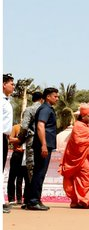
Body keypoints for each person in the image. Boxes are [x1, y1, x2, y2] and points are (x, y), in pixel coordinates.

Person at [59, 104, 89, 209]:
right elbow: (78, 141)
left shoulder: (88, 127)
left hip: (87, 157)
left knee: (86, 177)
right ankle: (77, 201)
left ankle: (83, 201)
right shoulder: (78, 126)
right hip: (78, 158)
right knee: (81, 177)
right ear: (83, 116)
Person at [26, 87, 59, 211]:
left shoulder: (48, 109)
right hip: (43, 145)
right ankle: (34, 201)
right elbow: (40, 126)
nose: (57, 98)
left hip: (45, 144)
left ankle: (34, 199)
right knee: (39, 173)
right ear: (48, 97)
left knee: (39, 173)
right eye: (55, 96)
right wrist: (44, 144)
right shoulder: (45, 109)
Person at [19, 91, 43, 207]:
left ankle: (30, 199)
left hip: (32, 140)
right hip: (43, 142)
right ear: (42, 99)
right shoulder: (45, 110)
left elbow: (24, 126)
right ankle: (35, 198)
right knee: (39, 170)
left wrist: (20, 139)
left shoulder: (30, 110)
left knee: (31, 169)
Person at [7, 123, 28, 206]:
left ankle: (20, 199)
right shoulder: (16, 127)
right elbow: (10, 139)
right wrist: (19, 140)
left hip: (26, 154)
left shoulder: (30, 128)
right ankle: (11, 198)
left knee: (22, 177)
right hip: (17, 153)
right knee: (12, 176)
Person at [2, 74, 14, 213]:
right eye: (11, 83)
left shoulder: (6, 100)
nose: (13, 86)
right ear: (4, 84)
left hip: (4, 137)